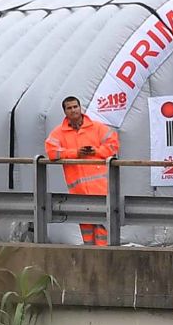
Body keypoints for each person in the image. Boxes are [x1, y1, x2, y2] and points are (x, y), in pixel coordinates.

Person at [44, 95, 120, 246]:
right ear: (65, 112)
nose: (73, 110)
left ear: (80, 108)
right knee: (86, 225)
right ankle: (89, 255)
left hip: (100, 190)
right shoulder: (59, 132)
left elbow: (113, 146)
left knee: (102, 225)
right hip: (78, 192)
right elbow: (52, 152)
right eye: (69, 108)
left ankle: (103, 255)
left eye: (75, 107)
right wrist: (75, 153)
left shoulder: (97, 128)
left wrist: (95, 152)